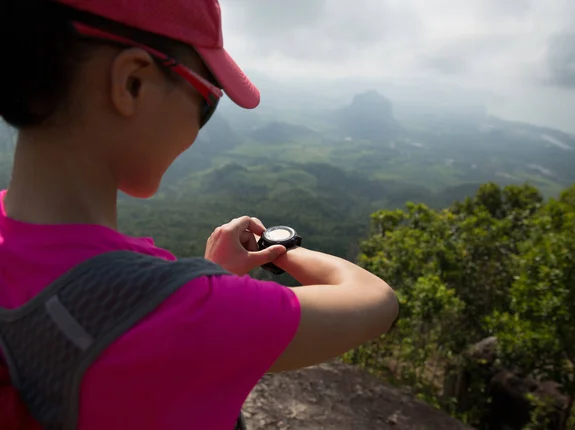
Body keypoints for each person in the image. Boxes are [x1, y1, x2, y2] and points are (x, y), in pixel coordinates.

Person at [0, 0, 399, 429]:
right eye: (206, 101)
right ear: (132, 83)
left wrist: (209, 276)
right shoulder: (176, 313)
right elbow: (377, 302)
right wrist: (274, 252)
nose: (198, 126)